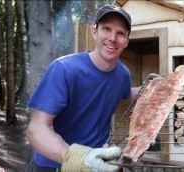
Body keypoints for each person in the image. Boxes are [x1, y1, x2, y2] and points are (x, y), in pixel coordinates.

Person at [26, 4, 140, 172]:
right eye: (106, 29)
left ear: (127, 41)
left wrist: (157, 89)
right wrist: (80, 158)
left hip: (98, 157)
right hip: (56, 163)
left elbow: (126, 93)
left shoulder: (123, 73)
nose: (112, 38)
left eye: (120, 33)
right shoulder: (64, 69)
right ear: (95, 31)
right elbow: (36, 129)